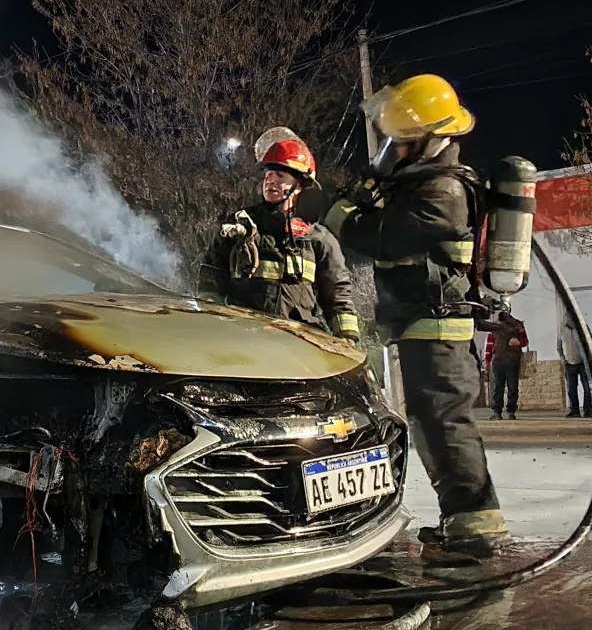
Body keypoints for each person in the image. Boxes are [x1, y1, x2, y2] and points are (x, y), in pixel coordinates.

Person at [324, 73, 508, 560]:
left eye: (402, 142)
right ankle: (463, 522)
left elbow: (365, 236)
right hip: (422, 324)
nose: (395, 150)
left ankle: (476, 530)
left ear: (429, 138)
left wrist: (354, 199)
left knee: (446, 423)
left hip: (436, 326)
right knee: (434, 422)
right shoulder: (425, 181)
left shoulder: (442, 191)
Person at [198, 130, 360, 340]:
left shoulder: (317, 238)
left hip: (300, 343)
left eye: (280, 175)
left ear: (300, 185)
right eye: (268, 175)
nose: (270, 181)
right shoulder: (240, 227)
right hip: (244, 340)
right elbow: (211, 276)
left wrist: (347, 337)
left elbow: (338, 294)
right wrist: (213, 320)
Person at [483, 308, 527, 420]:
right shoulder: (494, 327)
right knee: (499, 387)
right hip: (499, 360)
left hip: (511, 360)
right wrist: (487, 361)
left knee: (512, 387)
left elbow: (525, 341)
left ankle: (510, 411)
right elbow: (489, 345)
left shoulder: (517, 325)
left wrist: (519, 342)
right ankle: (498, 411)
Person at [558, 311, 592, 418]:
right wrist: (563, 360)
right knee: (571, 389)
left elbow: (590, 344)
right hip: (569, 363)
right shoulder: (562, 330)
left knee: (587, 388)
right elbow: (559, 347)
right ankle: (575, 411)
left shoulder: (584, 328)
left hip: (583, 363)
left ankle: (588, 411)